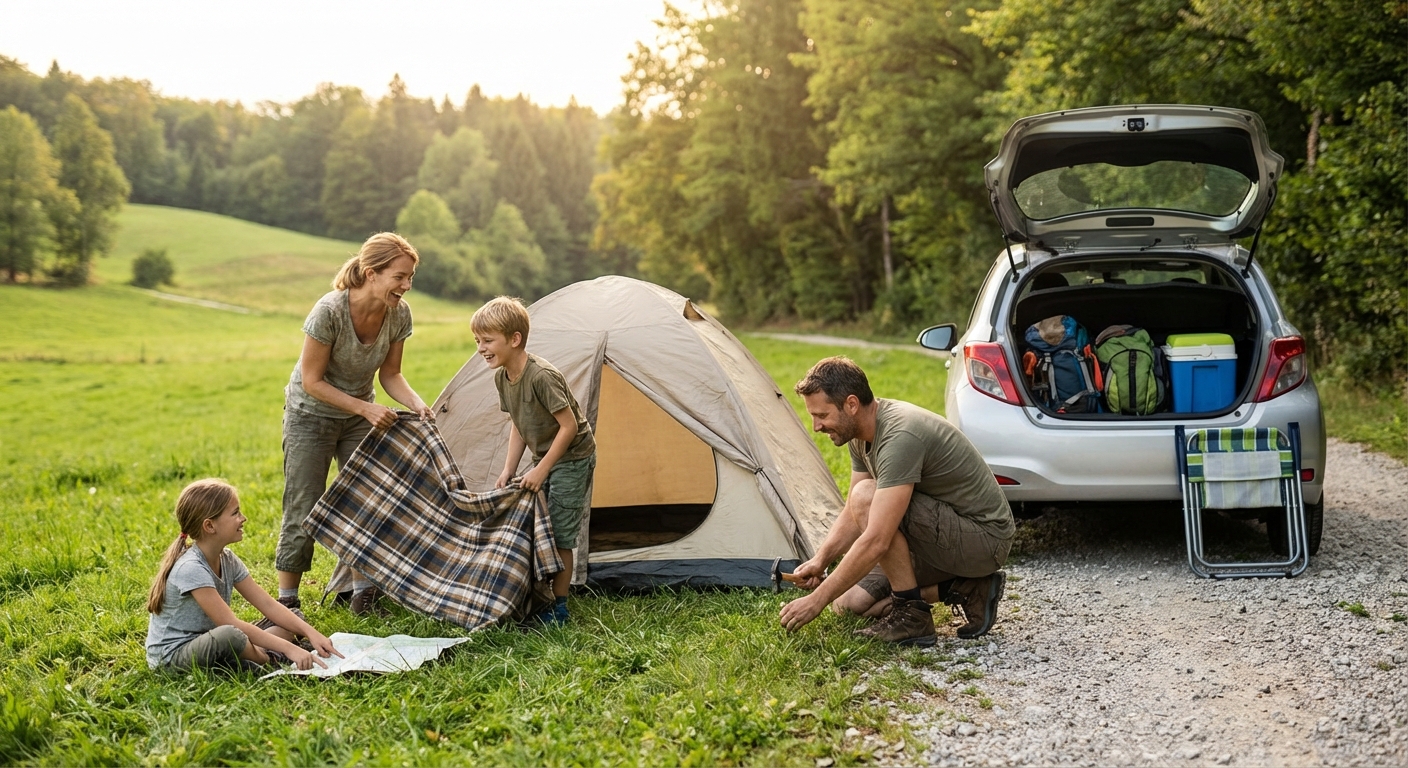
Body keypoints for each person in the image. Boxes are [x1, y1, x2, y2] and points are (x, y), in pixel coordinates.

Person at [778, 357, 1015, 645]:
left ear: (851, 405)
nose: (816, 426)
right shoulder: (858, 432)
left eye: (822, 415)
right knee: (847, 604)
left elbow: (876, 536)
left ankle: (912, 615)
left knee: (867, 496)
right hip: (941, 537)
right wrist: (820, 560)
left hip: (984, 540)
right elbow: (854, 512)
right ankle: (964, 587)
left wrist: (815, 601)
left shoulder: (900, 435)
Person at [275, 232, 433, 616]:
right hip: (310, 415)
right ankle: (287, 603)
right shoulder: (329, 311)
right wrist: (365, 410)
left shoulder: (400, 313)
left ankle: (363, 594)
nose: (406, 285)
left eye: (410, 277)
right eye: (399, 276)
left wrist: (416, 402)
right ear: (370, 273)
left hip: (359, 415)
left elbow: (391, 374)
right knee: (304, 504)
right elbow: (313, 382)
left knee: (367, 503)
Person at [471, 296, 597, 625]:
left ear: (515, 340)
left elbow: (569, 427)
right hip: (545, 455)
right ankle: (539, 595)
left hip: (572, 457)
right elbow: (518, 421)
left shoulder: (542, 376)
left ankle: (560, 606)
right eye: (477, 341)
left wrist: (541, 469)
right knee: (536, 525)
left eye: (487, 341)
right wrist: (509, 469)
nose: (481, 348)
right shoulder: (502, 377)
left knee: (560, 533)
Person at [146, 479, 343, 673]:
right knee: (231, 635)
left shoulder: (227, 558)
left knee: (291, 616)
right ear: (210, 526)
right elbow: (229, 624)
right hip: (172, 657)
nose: (243, 518)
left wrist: (311, 633)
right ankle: (269, 658)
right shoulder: (191, 568)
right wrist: (290, 648)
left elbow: (267, 604)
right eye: (235, 513)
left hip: (211, 639)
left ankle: (254, 654)